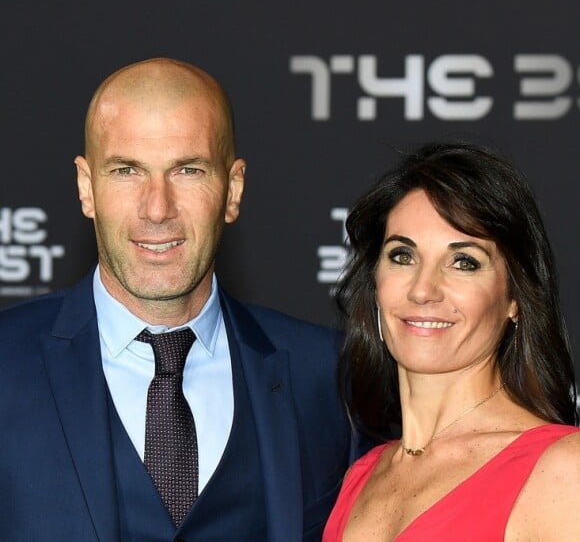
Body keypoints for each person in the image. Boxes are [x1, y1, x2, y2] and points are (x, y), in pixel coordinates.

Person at [0, 57, 356, 542]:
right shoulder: (6, 360)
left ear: (233, 189)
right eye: (127, 171)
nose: (157, 208)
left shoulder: (329, 376)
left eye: (188, 170)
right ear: (87, 188)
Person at [323, 142, 580, 541]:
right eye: (402, 256)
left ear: (514, 298)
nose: (423, 290)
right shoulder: (363, 474)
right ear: (374, 281)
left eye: (464, 262)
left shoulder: (565, 470)